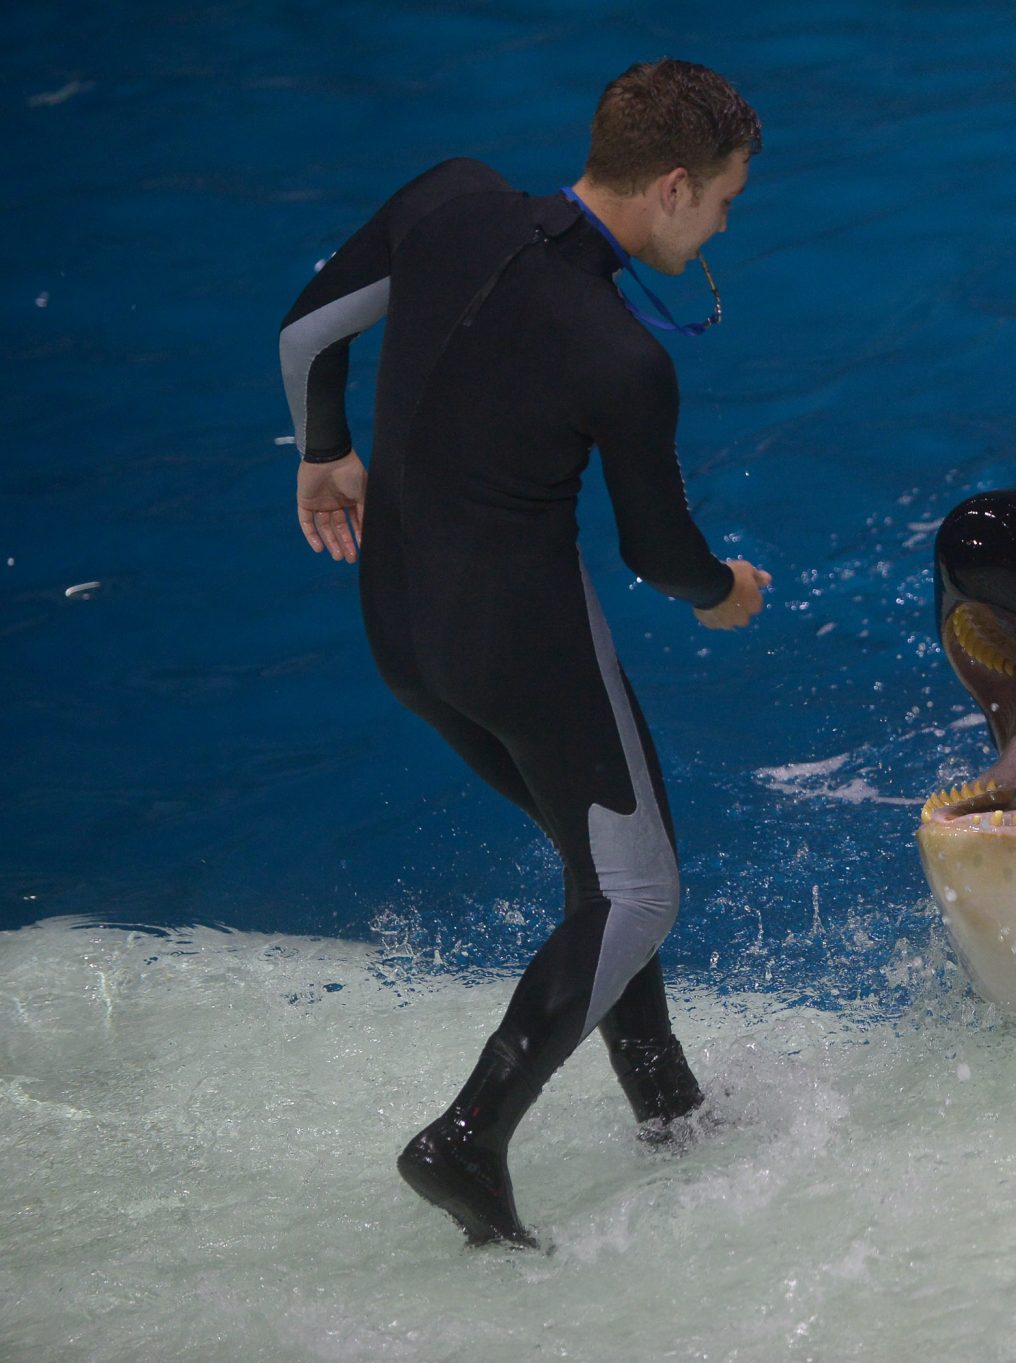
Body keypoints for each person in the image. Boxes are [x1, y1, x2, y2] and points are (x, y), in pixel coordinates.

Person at [276, 59, 772, 1248]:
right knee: (641, 889)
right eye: (721, 202)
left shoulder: (451, 201)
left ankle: (667, 1103)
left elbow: (307, 330)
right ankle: (470, 1134)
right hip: (522, 643)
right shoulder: (620, 357)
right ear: (668, 187)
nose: (722, 222)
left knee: (596, 870)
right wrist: (724, 595)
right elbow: (659, 553)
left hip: (402, 630)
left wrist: (324, 451)